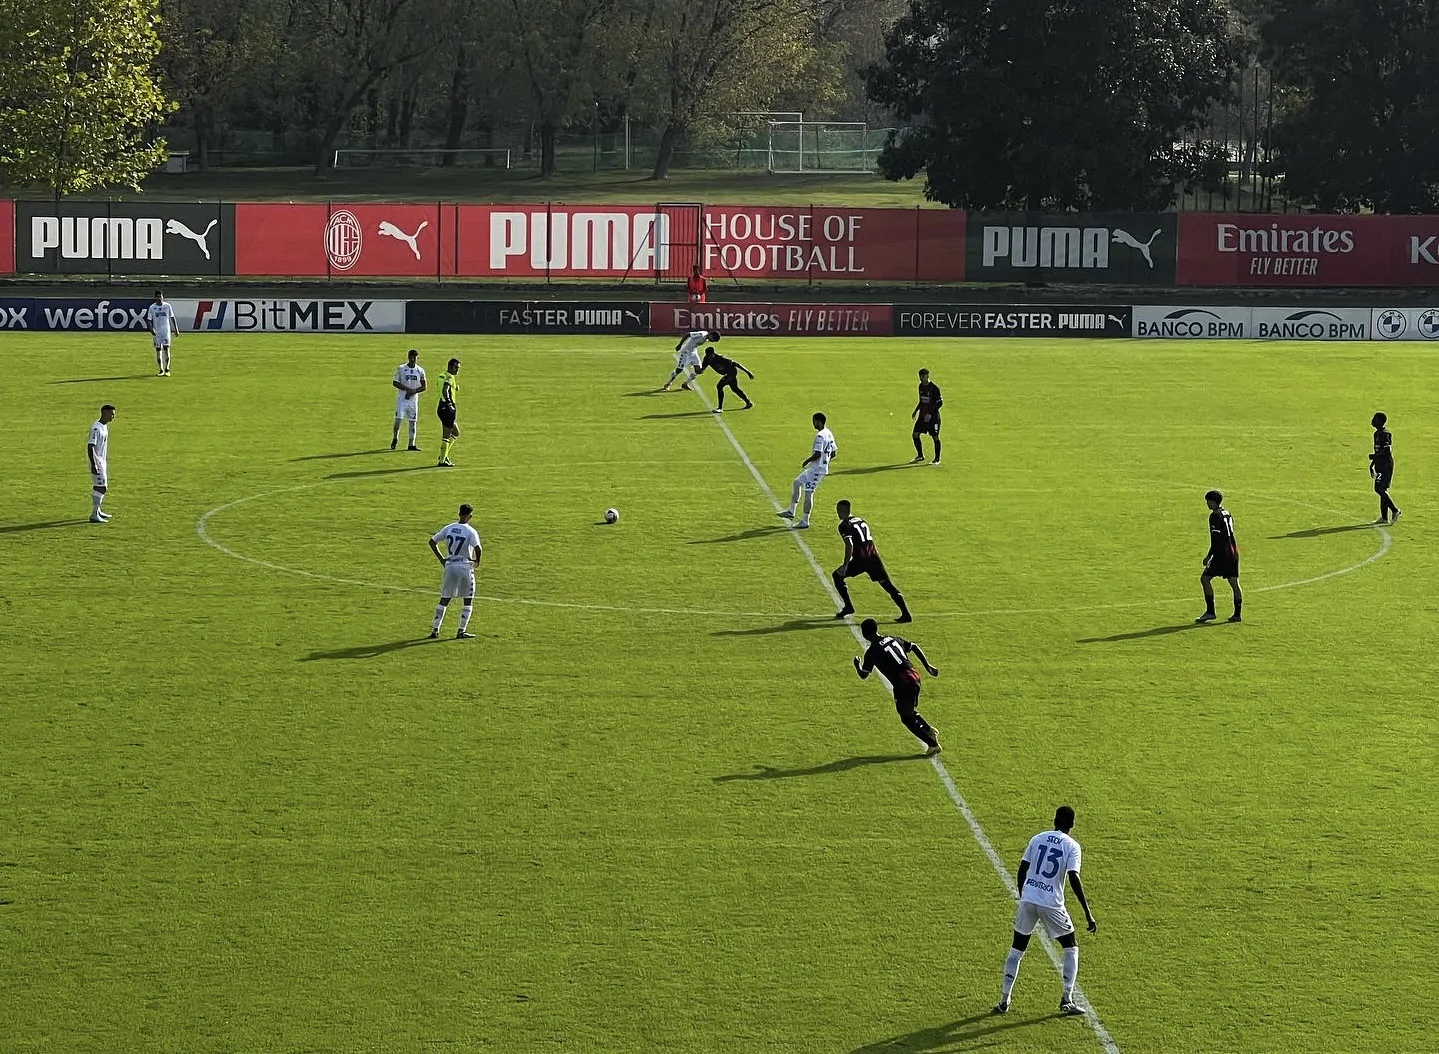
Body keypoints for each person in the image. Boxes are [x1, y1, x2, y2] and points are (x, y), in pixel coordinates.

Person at [992, 805, 1098, 1018]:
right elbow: (1074, 877)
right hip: (1052, 903)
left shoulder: (1037, 838)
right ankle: (1067, 999)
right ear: (1072, 824)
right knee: (1070, 946)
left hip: (1029, 899)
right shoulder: (1072, 846)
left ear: (1054, 820)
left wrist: (1024, 895)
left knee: (1017, 949)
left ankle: (1004, 999)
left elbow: (1022, 869)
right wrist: (1087, 912)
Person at [853, 618, 940, 754]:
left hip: (903, 682)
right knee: (908, 710)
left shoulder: (872, 652)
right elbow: (914, 646)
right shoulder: (892, 639)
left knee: (905, 717)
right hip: (914, 675)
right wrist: (927, 665)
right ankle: (929, 730)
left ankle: (932, 744)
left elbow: (864, 675)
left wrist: (857, 665)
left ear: (864, 634)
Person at [832, 500, 911, 622]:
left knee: (837, 575)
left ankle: (848, 607)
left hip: (861, 560)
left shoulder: (844, 525)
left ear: (844, 511)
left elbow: (849, 545)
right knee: (888, 586)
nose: (837, 513)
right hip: (873, 558)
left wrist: (845, 565)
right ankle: (906, 614)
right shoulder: (860, 520)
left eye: (839, 511)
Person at [428, 503, 482, 639]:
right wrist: (477, 562)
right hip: (464, 567)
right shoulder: (471, 531)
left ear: (459, 514)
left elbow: (432, 541)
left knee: (445, 598)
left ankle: (435, 629)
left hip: (450, 566)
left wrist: (441, 559)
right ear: (470, 516)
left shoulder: (449, 528)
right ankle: (461, 631)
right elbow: (478, 549)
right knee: (468, 599)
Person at [778, 413, 837, 529]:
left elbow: (818, 454)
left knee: (809, 492)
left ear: (819, 421)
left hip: (817, 470)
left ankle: (805, 521)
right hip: (815, 468)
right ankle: (791, 511)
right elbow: (834, 452)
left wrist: (807, 461)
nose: (813, 423)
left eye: (814, 421)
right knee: (797, 483)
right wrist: (826, 461)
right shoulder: (829, 433)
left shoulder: (820, 436)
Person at [1197, 489, 1242, 624]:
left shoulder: (1214, 516)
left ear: (1213, 502)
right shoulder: (1227, 513)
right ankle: (1237, 614)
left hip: (1222, 554)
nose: (1207, 504)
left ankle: (1210, 612)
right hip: (1233, 552)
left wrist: (1208, 557)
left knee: (1205, 579)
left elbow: (1217, 540)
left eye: (1208, 502)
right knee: (1234, 583)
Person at [696, 345, 754, 412]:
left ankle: (720, 408)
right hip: (727, 374)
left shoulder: (720, 358)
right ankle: (748, 403)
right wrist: (698, 370)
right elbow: (703, 368)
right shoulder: (706, 359)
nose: (709, 358)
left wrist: (748, 372)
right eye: (708, 356)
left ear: (713, 354)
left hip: (731, 372)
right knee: (735, 389)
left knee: (719, 386)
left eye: (710, 356)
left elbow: (736, 364)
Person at [391, 349, 427, 451]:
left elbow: (424, 386)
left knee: (413, 422)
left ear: (417, 358)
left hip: (413, 401)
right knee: (398, 420)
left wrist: (413, 391)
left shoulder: (420, 371)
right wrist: (408, 389)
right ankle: (395, 437)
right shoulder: (401, 368)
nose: (412, 359)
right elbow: (395, 382)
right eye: (410, 357)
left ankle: (411, 444)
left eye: (414, 358)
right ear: (408, 357)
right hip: (402, 400)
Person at [1369, 412, 1401, 524]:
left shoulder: (1385, 434)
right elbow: (1378, 450)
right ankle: (1384, 518)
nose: (1372, 420)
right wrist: (1372, 464)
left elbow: (1387, 449)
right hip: (1379, 465)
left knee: (1380, 489)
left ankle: (1395, 510)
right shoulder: (1376, 434)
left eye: (1375, 419)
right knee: (1380, 489)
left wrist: (1375, 456)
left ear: (1380, 421)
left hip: (1386, 465)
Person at [87, 404, 116, 523]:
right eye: (111, 414)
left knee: (99, 486)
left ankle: (97, 511)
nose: (113, 416)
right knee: (102, 487)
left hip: (101, 461)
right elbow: (90, 446)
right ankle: (94, 514)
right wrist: (94, 464)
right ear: (104, 413)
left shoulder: (104, 427)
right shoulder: (96, 428)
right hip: (97, 461)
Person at [910, 368, 942, 464]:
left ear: (928, 376)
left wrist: (931, 413)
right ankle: (920, 456)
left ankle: (937, 459)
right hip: (922, 416)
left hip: (933, 418)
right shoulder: (921, 386)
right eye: (920, 376)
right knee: (915, 434)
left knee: (935, 437)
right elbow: (922, 400)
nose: (922, 378)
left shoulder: (934, 388)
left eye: (924, 376)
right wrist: (916, 410)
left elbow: (940, 403)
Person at [435, 358, 461, 467]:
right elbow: (445, 390)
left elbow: (442, 387)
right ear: (450, 367)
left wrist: (455, 389)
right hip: (447, 408)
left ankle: (443, 455)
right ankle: (442, 460)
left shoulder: (442, 375)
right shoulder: (449, 377)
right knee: (446, 435)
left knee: (456, 432)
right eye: (456, 368)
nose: (457, 371)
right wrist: (450, 403)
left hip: (441, 406)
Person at [146, 290, 176, 376]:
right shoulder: (152, 307)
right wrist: (151, 329)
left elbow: (172, 317)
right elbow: (149, 320)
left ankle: (167, 369)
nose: (159, 298)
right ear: (155, 298)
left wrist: (176, 329)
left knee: (166, 349)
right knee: (158, 350)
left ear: (163, 297)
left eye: (160, 296)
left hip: (166, 331)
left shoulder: (167, 306)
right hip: (157, 332)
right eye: (157, 297)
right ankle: (161, 370)